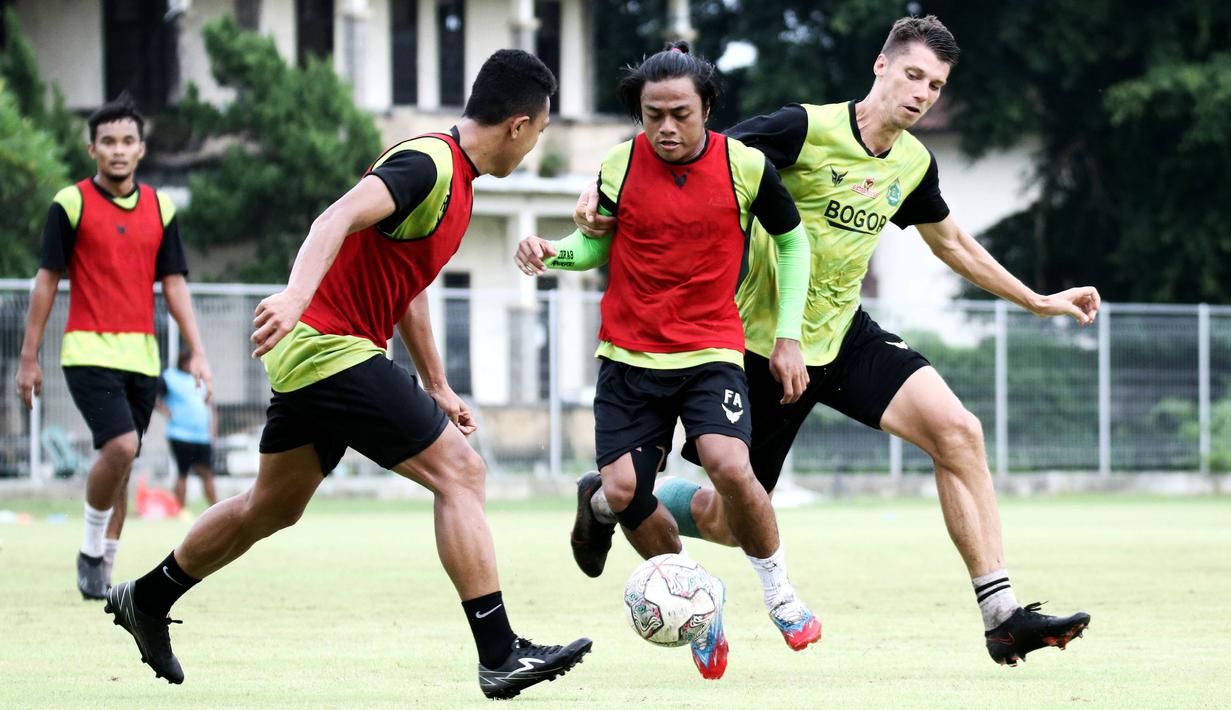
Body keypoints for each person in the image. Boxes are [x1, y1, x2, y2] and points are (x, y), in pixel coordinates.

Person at [571, 16, 1095, 668]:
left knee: (957, 431)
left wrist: (1036, 300)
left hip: (842, 337)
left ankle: (1001, 616)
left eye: (933, 85)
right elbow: (691, 152)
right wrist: (602, 190)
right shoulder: (800, 129)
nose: (921, 93)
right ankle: (608, 493)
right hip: (758, 350)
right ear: (880, 66)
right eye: (911, 75)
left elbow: (951, 242)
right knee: (725, 522)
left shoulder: (911, 162)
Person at [103, 50, 590, 699]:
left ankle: (147, 595)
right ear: (520, 125)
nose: (535, 145)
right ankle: (500, 653)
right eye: (541, 131)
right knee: (461, 473)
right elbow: (332, 218)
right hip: (328, 346)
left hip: (326, 353)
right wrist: (298, 297)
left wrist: (437, 385)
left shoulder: (458, 185)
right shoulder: (428, 163)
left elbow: (407, 288)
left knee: (271, 507)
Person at [514, 42, 819, 681]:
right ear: (640, 114)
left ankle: (780, 594)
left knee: (731, 467)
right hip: (628, 358)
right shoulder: (617, 169)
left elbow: (793, 244)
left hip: (710, 352)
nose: (667, 128)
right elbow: (593, 249)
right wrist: (552, 252)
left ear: (707, 107)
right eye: (653, 115)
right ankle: (701, 611)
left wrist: (787, 336)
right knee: (624, 492)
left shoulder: (747, 167)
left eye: (680, 113)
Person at [15, 92, 213, 601]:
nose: (118, 150)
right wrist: (29, 357)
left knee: (123, 462)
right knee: (121, 446)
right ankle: (88, 549)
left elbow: (174, 285)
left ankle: (102, 570)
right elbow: (46, 281)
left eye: (127, 141)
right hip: (87, 352)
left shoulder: (160, 207)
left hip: (142, 358)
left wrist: (199, 351)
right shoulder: (70, 203)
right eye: (108, 141)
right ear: (92, 149)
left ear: (141, 149)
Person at [158, 348, 218, 509]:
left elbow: (210, 406)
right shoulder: (169, 377)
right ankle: (179, 511)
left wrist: (212, 432)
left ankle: (215, 508)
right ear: (182, 362)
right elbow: (154, 396)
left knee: (207, 473)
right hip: (180, 435)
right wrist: (165, 410)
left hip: (202, 436)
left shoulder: (202, 379)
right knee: (182, 473)